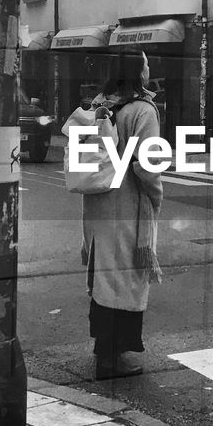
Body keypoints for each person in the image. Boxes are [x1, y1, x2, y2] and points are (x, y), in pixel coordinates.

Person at [79, 50, 163, 380]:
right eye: (145, 63)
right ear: (137, 71)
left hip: (99, 204)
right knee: (126, 280)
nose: (149, 67)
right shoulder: (142, 110)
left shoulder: (101, 105)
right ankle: (113, 358)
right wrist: (156, 196)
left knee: (105, 279)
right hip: (128, 206)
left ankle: (104, 349)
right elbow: (147, 164)